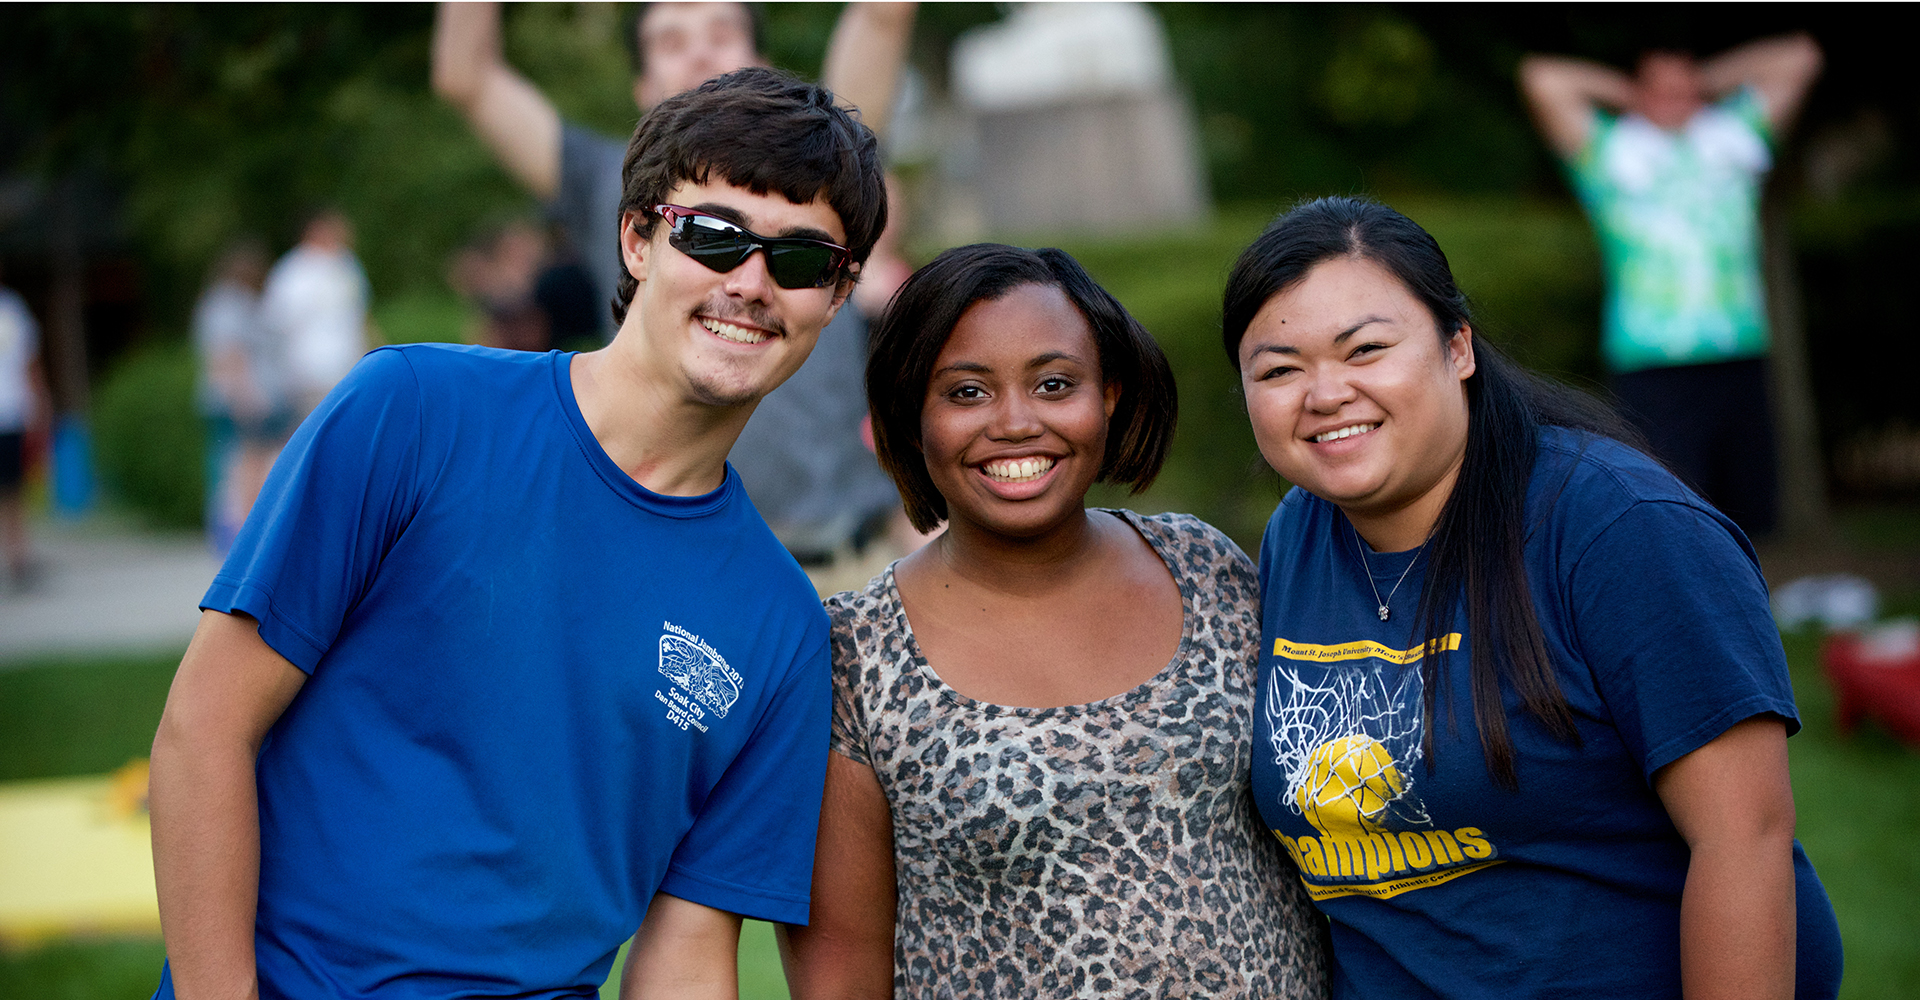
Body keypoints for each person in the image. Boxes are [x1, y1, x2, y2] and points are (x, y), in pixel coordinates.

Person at [147, 67, 888, 1000]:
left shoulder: (782, 628)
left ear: (836, 293)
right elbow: (204, 729)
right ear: (637, 238)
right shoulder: (413, 411)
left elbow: (689, 951)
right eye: (714, 236)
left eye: (799, 260)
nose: (749, 283)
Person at [1223, 196, 1842, 1000]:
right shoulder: (1298, 536)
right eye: (1278, 369)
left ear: (1458, 348)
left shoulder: (1616, 526)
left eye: (1366, 349)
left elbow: (1745, 838)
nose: (1325, 392)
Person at [782, 244, 1330, 1000]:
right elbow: (841, 967)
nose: (1015, 422)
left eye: (1053, 384)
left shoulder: (1209, 570)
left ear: (1108, 394)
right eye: (967, 393)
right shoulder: (856, 658)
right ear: (911, 418)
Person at [433, 1, 918, 579]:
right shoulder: (605, 180)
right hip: (665, 567)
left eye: (722, 33)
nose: (700, 51)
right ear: (638, 236)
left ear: (762, 64)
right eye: (671, 41)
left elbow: (882, 16)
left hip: (841, 562)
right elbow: (468, 77)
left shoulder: (825, 166)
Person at [1518, 34, 1823, 538]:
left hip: (1738, 354)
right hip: (1651, 363)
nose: (1674, 98)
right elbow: (1542, 76)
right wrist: (1635, 93)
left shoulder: (1732, 140)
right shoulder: (1610, 153)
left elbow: (1801, 57)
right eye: (1660, 89)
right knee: (1671, 509)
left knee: (1747, 515)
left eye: (1684, 89)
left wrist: (1702, 82)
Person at [191, 239, 290, 556]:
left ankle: (243, 533)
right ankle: (243, 535)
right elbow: (230, 355)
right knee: (244, 465)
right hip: (240, 399)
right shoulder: (227, 305)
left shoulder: (231, 303)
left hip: (245, 396)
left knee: (247, 463)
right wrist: (247, 397)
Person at [259, 209, 372, 418]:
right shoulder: (293, 271)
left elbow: (360, 317)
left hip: (350, 370)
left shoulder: (347, 264)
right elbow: (276, 325)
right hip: (309, 374)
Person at [0, 266, 50, 591]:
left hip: (10, 411)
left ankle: (18, 557)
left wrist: (40, 404)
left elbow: (30, 361)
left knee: (13, 489)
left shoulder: (11, 309)